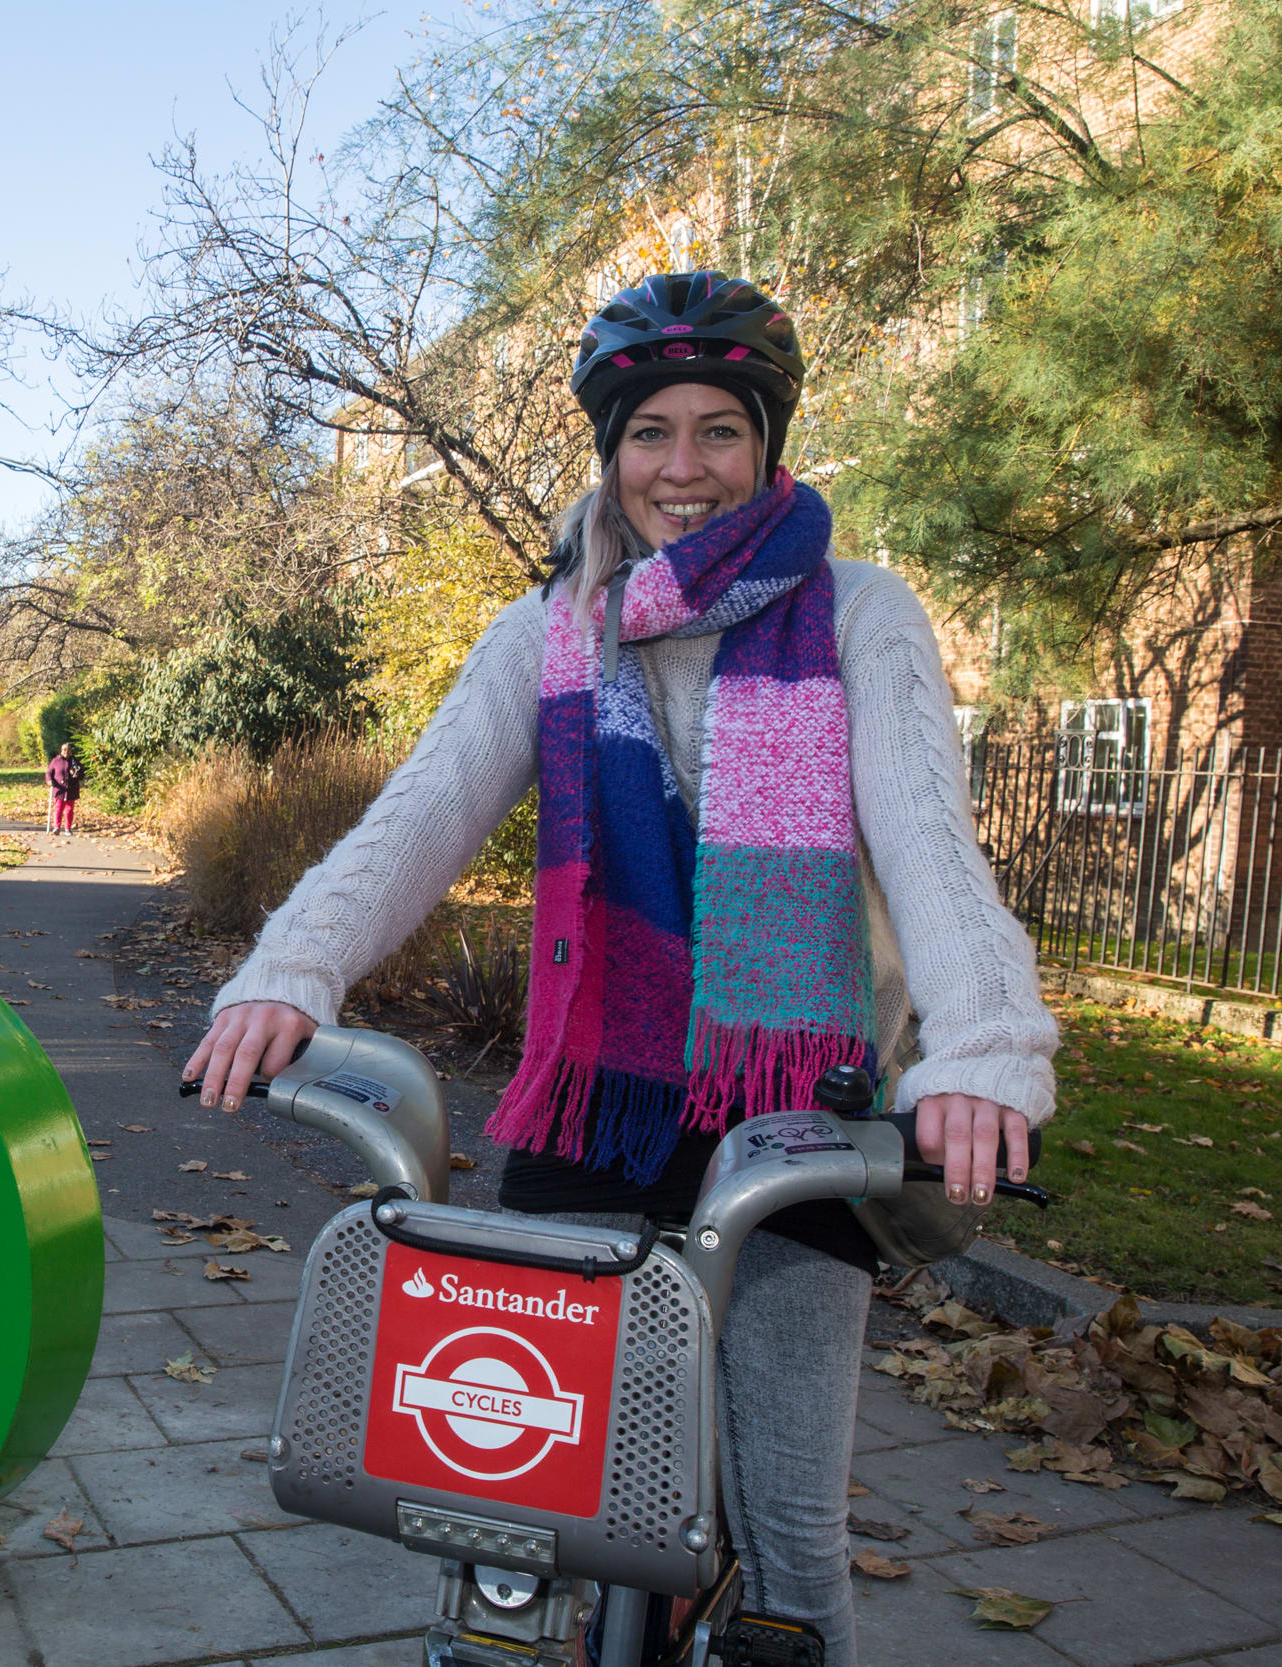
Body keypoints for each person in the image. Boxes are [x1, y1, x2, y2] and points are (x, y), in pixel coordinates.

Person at [183, 272, 1057, 1666]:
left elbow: (928, 836)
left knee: (788, 1542)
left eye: (721, 429)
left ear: (767, 446)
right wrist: (292, 970)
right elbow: (417, 816)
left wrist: (985, 1045)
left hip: (796, 1112)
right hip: (602, 1101)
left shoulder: (855, 611)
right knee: (511, 1510)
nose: (685, 466)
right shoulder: (549, 632)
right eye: (653, 430)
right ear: (610, 450)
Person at [44, 742, 83, 838]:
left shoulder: (75, 761)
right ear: (61, 750)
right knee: (58, 808)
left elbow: (82, 773)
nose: (66, 751)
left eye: (68, 750)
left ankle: (67, 829)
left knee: (69, 810)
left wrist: (76, 774)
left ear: (71, 751)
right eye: (64, 749)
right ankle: (56, 827)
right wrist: (49, 781)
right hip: (59, 790)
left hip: (71, 789)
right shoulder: (56, 760)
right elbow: (49, 772)